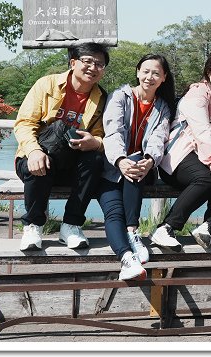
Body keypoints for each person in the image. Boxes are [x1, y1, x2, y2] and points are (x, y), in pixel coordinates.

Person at [13, 42, 109, 252]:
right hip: (35, 159)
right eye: (87, 61)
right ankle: (33, 225)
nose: (93, 67)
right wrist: (34, 151)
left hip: (70, 163)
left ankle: (71, 226)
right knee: (49, 143)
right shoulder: (45, 85)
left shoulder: (101, 98)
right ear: (73, 63)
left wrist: (95, 142)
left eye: (100, 64)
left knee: (96, 159)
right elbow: (24, 123)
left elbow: (101, 134)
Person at [97, 54, 176, 280]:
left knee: (136, 162)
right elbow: (113, 133)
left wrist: (150, 161)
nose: (149, 77)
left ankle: (132, 232)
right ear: (137, 72)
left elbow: (158, 138)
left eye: (156, 73)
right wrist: (121, 161)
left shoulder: (162, 107)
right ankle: (127, 259)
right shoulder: (119, 97)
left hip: (142, 169)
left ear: (163, 78)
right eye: (146, 71)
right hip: (112, 169)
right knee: (113, 213)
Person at [153, 50, 211, 251]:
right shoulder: (197, 93)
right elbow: (203, 131)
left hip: (205, 158)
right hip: (177, 159)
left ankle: (208, 225)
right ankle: (166, 228)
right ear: (209, 71)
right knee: (207, 178)